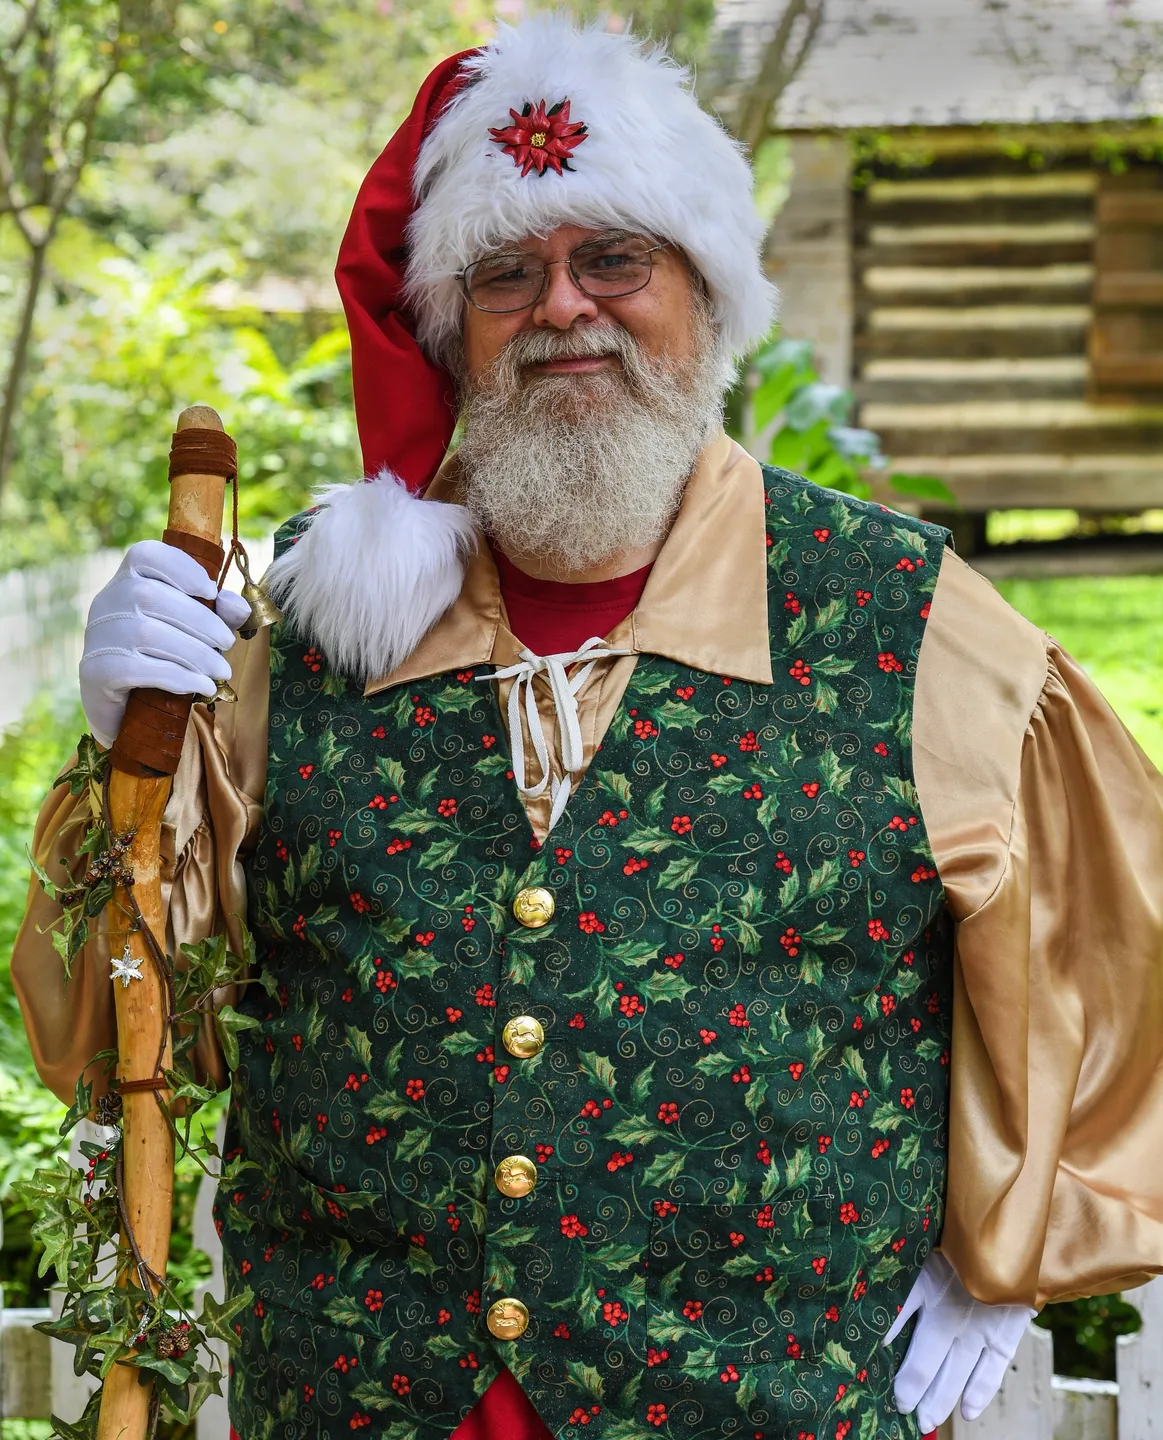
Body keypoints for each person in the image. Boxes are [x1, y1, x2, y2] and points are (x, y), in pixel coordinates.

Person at [13, 16, 1163, 1440]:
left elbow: (1116, 959)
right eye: (507, 273)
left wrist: (1022, 1245)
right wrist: (123, 743)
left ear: (706, 297)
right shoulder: (307, 626)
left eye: (613, 257)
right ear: (453, 327)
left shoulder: (910, 623)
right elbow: (105, 1028)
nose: (563, 307)